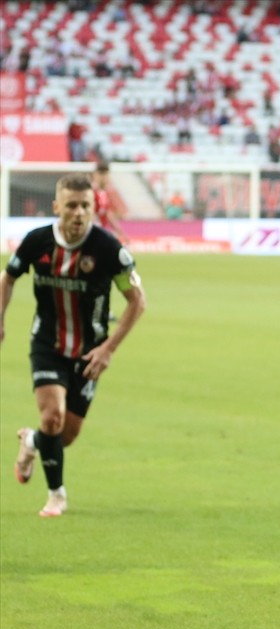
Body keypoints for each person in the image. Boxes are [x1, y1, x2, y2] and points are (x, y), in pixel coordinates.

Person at [0, 172, 147, 517]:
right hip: (47, 344)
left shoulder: (109, 249)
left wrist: (108, 348)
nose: (79, 213)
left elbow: (137, 301)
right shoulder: (37, 242)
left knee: (64, 436)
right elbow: (8, 278)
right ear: (57, 207)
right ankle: (57, 495)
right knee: (52, 418)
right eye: (71, 206)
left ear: (93, 207)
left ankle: (31, 442)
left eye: (85, 206)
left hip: (90, 352)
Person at [91, 162, 129, 245]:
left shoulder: (105, 193)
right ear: (95, 175)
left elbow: (108, 214)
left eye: (107, 174)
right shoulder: (90, 192)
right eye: (102, 174)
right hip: (92, 233)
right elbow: (90, 214)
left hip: (99, 232)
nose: (105, 177)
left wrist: (120, 231)